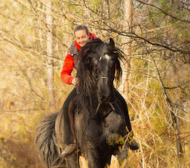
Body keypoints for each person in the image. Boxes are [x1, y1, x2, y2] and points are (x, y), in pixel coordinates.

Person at [59, 25, 139, 158]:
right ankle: (72, 142)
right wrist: (72, 80)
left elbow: (109, 62)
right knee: (67, 106)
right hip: (82, 87)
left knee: (122, 102)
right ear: (75, 38)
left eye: (83, 37)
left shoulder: (100, 46)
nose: (81, 40)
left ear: (89, 35)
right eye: (78, 38)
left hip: (101, 86)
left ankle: (129, 136)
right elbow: (64, 73)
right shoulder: (72, 52)